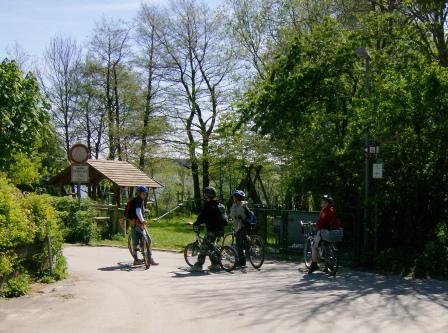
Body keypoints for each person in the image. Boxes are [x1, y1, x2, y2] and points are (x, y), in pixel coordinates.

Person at [192, 186, 228, 272]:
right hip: (220, 230)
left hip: (211, 230)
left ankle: (198, 265)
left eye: (205, 195)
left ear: (207, 195)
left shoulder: (209, 206)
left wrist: (196, 223)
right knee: (212, 247)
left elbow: (202, 217)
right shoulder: (219, 204)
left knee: (203, 247)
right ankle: (215, 265)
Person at [308, 194, 340, 274]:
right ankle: (327, 266)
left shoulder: (324, 211)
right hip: (334, 232)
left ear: (326, 203)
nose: (321, 204)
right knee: (327, 245)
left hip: (325, 232)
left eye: (322, 202)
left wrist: (316, 226)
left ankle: (314, 264)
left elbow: (320, 223)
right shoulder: (333, 210)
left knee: (314, 246)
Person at [128, 185, 159, 266]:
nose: (145, 195)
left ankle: (136, 260)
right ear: (139, 193)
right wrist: (143, 220)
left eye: (145, 193)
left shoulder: (134, 200)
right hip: (139, 224)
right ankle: (149, 258)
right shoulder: (139, 200)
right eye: (143, 194)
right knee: (148, 240)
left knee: (135, 243)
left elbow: (137, 210)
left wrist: (144, 210)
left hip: (133, 224)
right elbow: (138, 211)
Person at [230, 190, 248, 267]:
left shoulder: (236, 205)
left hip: (239, 226)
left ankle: (241, 261)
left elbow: (232, 214)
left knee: (239, 244)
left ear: (236, 198)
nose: (234, 199)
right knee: (244, 242)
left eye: (234, 197)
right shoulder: (245, 205)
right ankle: (245, 257)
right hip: (246, 225)